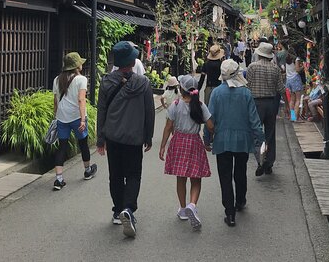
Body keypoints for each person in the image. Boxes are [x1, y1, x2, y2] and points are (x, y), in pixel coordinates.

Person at [97, 41, 155, 238]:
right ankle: (128, 209)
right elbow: (149, 111)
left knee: (115, 175)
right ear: (132, 61)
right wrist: (148, 136)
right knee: (133, 174)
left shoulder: (106, 82)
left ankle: (117, 210)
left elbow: (101, 111)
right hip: (134, 137)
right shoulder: (143, 83)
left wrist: (100, 138)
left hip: (113, 137)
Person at [205, 59, 264, 227]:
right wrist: (261, 139)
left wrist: (206, 139)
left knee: (225, 176)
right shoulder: (245, 93)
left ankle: (229, 213)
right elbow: (254, 119)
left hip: (222, 140)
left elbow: (210, 119)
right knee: (240, 171)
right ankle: (240, 201)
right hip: (242, 140)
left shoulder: (216, 93)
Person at [159, 75, 214, 231]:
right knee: (196, 177)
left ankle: (183, 209)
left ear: (181, 89)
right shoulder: (200, 105)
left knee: (181, 177)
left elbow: (168, 127)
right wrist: (213, 135)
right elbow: (210, 125)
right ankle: (192, 204)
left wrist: (163, 146)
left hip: (178, 141)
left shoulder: (175, 105)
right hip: (194, 142)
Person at [51, 52, 97, 190]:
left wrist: (56, 116)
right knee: (83, 143)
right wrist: (83, 120)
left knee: (62, 147)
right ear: (77, 65)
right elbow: (81, 99)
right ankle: (88, 170)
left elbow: (55, 101)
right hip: (77, 117)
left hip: (62, 117)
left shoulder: (57, 79)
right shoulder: (81, 79)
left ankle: (59, 179)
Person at [246, 42, 285, 176]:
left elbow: (247, 85)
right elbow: (280, 88)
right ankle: (269, 162)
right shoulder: (276, 68)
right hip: (271, 103)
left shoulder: (252, 67)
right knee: (270, 134)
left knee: (257, 133)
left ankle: (260, 161)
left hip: (256, 103)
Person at [285, 50, 305, 121]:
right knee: (298, 100)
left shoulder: (287, 59)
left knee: (292, 100)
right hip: (295, 79)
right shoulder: (296, 59)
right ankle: (296, 118)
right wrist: (303, 66)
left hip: (288, 80)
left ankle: (292, 117)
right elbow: (297, 70)